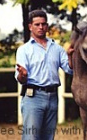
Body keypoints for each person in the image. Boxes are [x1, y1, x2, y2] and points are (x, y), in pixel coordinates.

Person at [15, 9, 73, 140]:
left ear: (47, 25)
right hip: (33, 97)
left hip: (53, 97)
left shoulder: (57, 48)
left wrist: (70, 56)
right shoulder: (24, 50)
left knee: (48, 137)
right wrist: (23, 75)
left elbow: (69, 70)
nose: (41, 27)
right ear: (30, 26)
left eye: (43, 24)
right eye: (37, 24)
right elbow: (20, 78)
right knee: (31, 137)